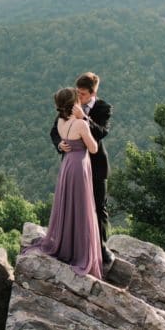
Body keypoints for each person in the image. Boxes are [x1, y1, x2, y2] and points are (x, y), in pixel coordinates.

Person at [26, 87, 103, 279]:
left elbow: (60, 138)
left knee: (67, 203)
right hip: (79, 166)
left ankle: (64, 242)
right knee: (82, 207)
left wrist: (61, 145)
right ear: (74, 102)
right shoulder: (81, 124)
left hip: (67, 164)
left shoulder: (61, 121)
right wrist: (85, 119)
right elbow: (93, 149)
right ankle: (79, 251)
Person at [50, 72, 114, 268]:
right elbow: (55, 130)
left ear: (93, 93)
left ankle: (101, 248)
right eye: (78, 92)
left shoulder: (103, 108)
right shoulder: (69, 105)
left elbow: (102, 133)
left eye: (83, 94)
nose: (79, 97)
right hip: (75, 164)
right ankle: (75, 247)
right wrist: (60, 144)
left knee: (98, 207)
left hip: (95, 166)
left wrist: (84, 118)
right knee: (74, 206)